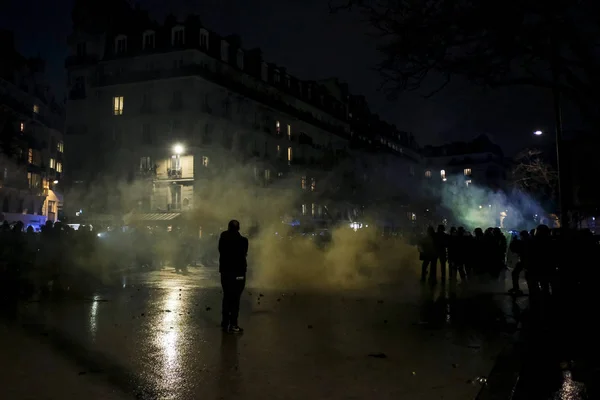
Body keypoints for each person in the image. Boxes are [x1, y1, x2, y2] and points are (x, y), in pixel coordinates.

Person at [218, 220, 249, 333]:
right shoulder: (243, 241)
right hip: (238, 272)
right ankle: (233, 324)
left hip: (225, 272)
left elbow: (220, 251)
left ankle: (225, 322)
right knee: (235, 299)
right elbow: (244, 253)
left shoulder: (223, 238)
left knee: (226, 297)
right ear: (238, 228)